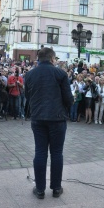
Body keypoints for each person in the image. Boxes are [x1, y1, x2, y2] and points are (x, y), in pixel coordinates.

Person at [25, 47, 73, 199]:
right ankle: (56, 188)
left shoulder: (30, 74)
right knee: (57, 153)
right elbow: (68, 99)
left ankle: (39, 189)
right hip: (57, 118)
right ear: (53, 59)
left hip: (38, 117)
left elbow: (28, 95)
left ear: (39, 58)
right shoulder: (60, 73)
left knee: (40, 152)